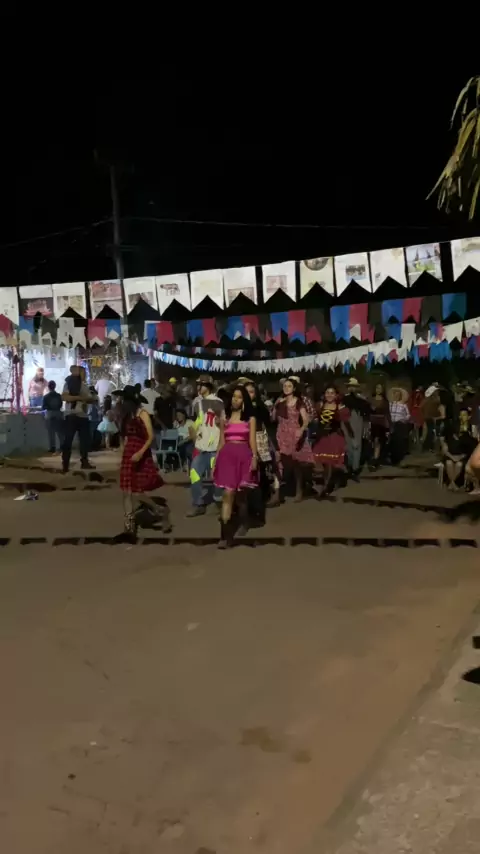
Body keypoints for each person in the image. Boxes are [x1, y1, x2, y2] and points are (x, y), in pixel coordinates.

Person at [117, 385, 171, 542]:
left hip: (140, 452)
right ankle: (129, 525)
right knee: (126, 491)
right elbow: (123, 436)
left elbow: (150, 436)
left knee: (136, 490)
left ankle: (159, 510)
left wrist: (140, 453)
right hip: (129, 453)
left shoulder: (143, 413)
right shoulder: (126, 416)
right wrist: (123, 451)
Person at [214, 385, 258, 547]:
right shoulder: (224, 416)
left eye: (239, 397)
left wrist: (255, 458)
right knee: (228, 494)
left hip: (244, 457)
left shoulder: (250, 419)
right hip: (226, 457)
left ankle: (245, 521)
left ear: (244, 400)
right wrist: (215, 461)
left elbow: (252, 441)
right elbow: (221, 441)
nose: (235, 400)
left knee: (240, 497)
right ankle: (224, 536)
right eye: (234, 396)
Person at [187, 379, 225, 517]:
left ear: (208, 387)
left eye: (201, 385)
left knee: (217, 477)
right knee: (194, 474)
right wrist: (194, 435)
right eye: (198, 384)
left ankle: (218, 503)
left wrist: (221, 443)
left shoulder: (217, 402)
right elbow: (198, 421)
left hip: (214, 446)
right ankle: (198, 504)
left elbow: (223, 422)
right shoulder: (197, 402)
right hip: (201, 447)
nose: (198, 387)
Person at [273, 378, 313, 502]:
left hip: (294, 435)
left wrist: (301, 430)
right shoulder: (280, 402)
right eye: (285, 386)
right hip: (281, 434)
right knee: (278, 462)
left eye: (289, 386)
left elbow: (306, 420)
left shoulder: (298, 402)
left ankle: (299, 490)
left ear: (294, 388)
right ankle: (276, 494)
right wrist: (275, 406)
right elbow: (273, 418)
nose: (286, 388)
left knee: (296, 464)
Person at [245, 380, 280, 512]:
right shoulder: (238, 407)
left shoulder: (260, 407)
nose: (248, 394)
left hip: (259, 439)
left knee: (260, 469)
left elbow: (269, 426)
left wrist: (275, 446)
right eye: (246, 392)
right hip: (244, 439)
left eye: (251, 392)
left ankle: (262, 497)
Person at [312, 386, 351, 494]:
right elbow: (315, 419)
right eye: (327, 393)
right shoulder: (320, 405)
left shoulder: (340, 407)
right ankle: (327, 481)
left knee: (330, 462)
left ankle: (327, 485)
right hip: (322, 437)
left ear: (336, 395)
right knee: (321, 461)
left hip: (334, 436)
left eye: (332, 393)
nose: (329, 395)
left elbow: (346, 422)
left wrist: (350, 434)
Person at [61, 366, 97, 473]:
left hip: (83, 415)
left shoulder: (84, 386)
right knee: (68, 440)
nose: (85, 375)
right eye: (83, 372)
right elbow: (65, 397)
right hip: (72, 415)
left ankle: (84, 461)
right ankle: (65, 464)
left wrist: (91, 399)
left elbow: (89, 399)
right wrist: (81, 398)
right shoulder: (69, 384)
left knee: (84, 441)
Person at [440, 408, 477, 490]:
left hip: (463, 455)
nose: (462, 417)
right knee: (449, 463)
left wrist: (470, 434)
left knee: (459, 464)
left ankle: (452, 483)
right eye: (461, 415)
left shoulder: (471, 429)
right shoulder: (452, 427)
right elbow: (445, 441)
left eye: (464, 415)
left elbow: (472, 446)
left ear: (469, 417)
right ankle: (453, 483)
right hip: (450, 454)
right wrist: (451, 456)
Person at [343, 378, 370, 480]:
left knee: (357, 445)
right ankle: (349, 467)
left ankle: (355, 468)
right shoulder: (344, 399)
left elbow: (367, 413)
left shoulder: (361, 400)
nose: (352, 388)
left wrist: (366, 427)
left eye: (354, 386)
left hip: (358, 421)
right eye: (350, 386)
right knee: (347, 445)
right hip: (346, 422)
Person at [369, 382, 390, 468]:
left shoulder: (385, 401)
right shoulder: (370, 400)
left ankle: (375, 459)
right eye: (377, 388)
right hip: (372, 422)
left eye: (380, 388)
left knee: (378, 440)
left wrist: (389, 426)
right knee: (372, 441)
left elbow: (387, 414)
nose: (378, 390)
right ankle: (373, 457)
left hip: (381, 423)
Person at [388, 387, 411, 465]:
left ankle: (398, 459)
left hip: (400, 425)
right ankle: (392, 458)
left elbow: (408, 415)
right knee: (392, 442)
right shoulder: (390, 404)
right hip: (391, 424)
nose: (396, 396)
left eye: (398, 395)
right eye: (395, 394)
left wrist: (403, 419)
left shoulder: (403, 405)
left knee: (399, 442)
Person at [42, 380, 64, 454]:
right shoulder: (58, 396)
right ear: (55, 386)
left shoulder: (46, 397)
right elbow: (60, 405)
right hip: (58, 413)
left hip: (50, 414)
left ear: (48, 387)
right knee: (60, 431)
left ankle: (52, 447)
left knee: (51, 432)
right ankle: (62, 446)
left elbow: (43, 407)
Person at [88, 385, 101, 451]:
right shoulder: (96, 397)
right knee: (93, 433)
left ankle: (93, 446)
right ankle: (94, 446)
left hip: (93, 418)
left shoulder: (95, 398)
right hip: (94, 418)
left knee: (93, 433)